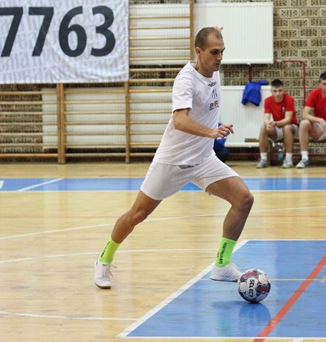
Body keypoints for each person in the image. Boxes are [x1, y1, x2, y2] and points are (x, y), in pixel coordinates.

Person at [94, 27, 254, 289]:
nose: (220, 58)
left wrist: (215, 31)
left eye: (222, 52)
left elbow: (210, 40)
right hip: (173, 161)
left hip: (203, 159)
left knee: (244, 199)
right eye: (214, 52)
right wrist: (212, 132)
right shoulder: (186, 81)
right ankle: (104, 259)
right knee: (138, 214)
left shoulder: (212, 69)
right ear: (198, 52)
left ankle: (223, 264)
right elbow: (180, 120)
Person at [256, 78, 298, 169]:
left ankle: (288, 159)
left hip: (291, 128)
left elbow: (288, 119)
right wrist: (268, 124)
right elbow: (266, 118)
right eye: (275, 91)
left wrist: (275, 123)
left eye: (280, 91)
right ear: (271, 91)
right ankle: (263, 159)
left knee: (286, 127)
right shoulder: (268, 101)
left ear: (283, 90)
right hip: (278, 127)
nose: (277, 94)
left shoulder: (289, 99)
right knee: (263, 128)